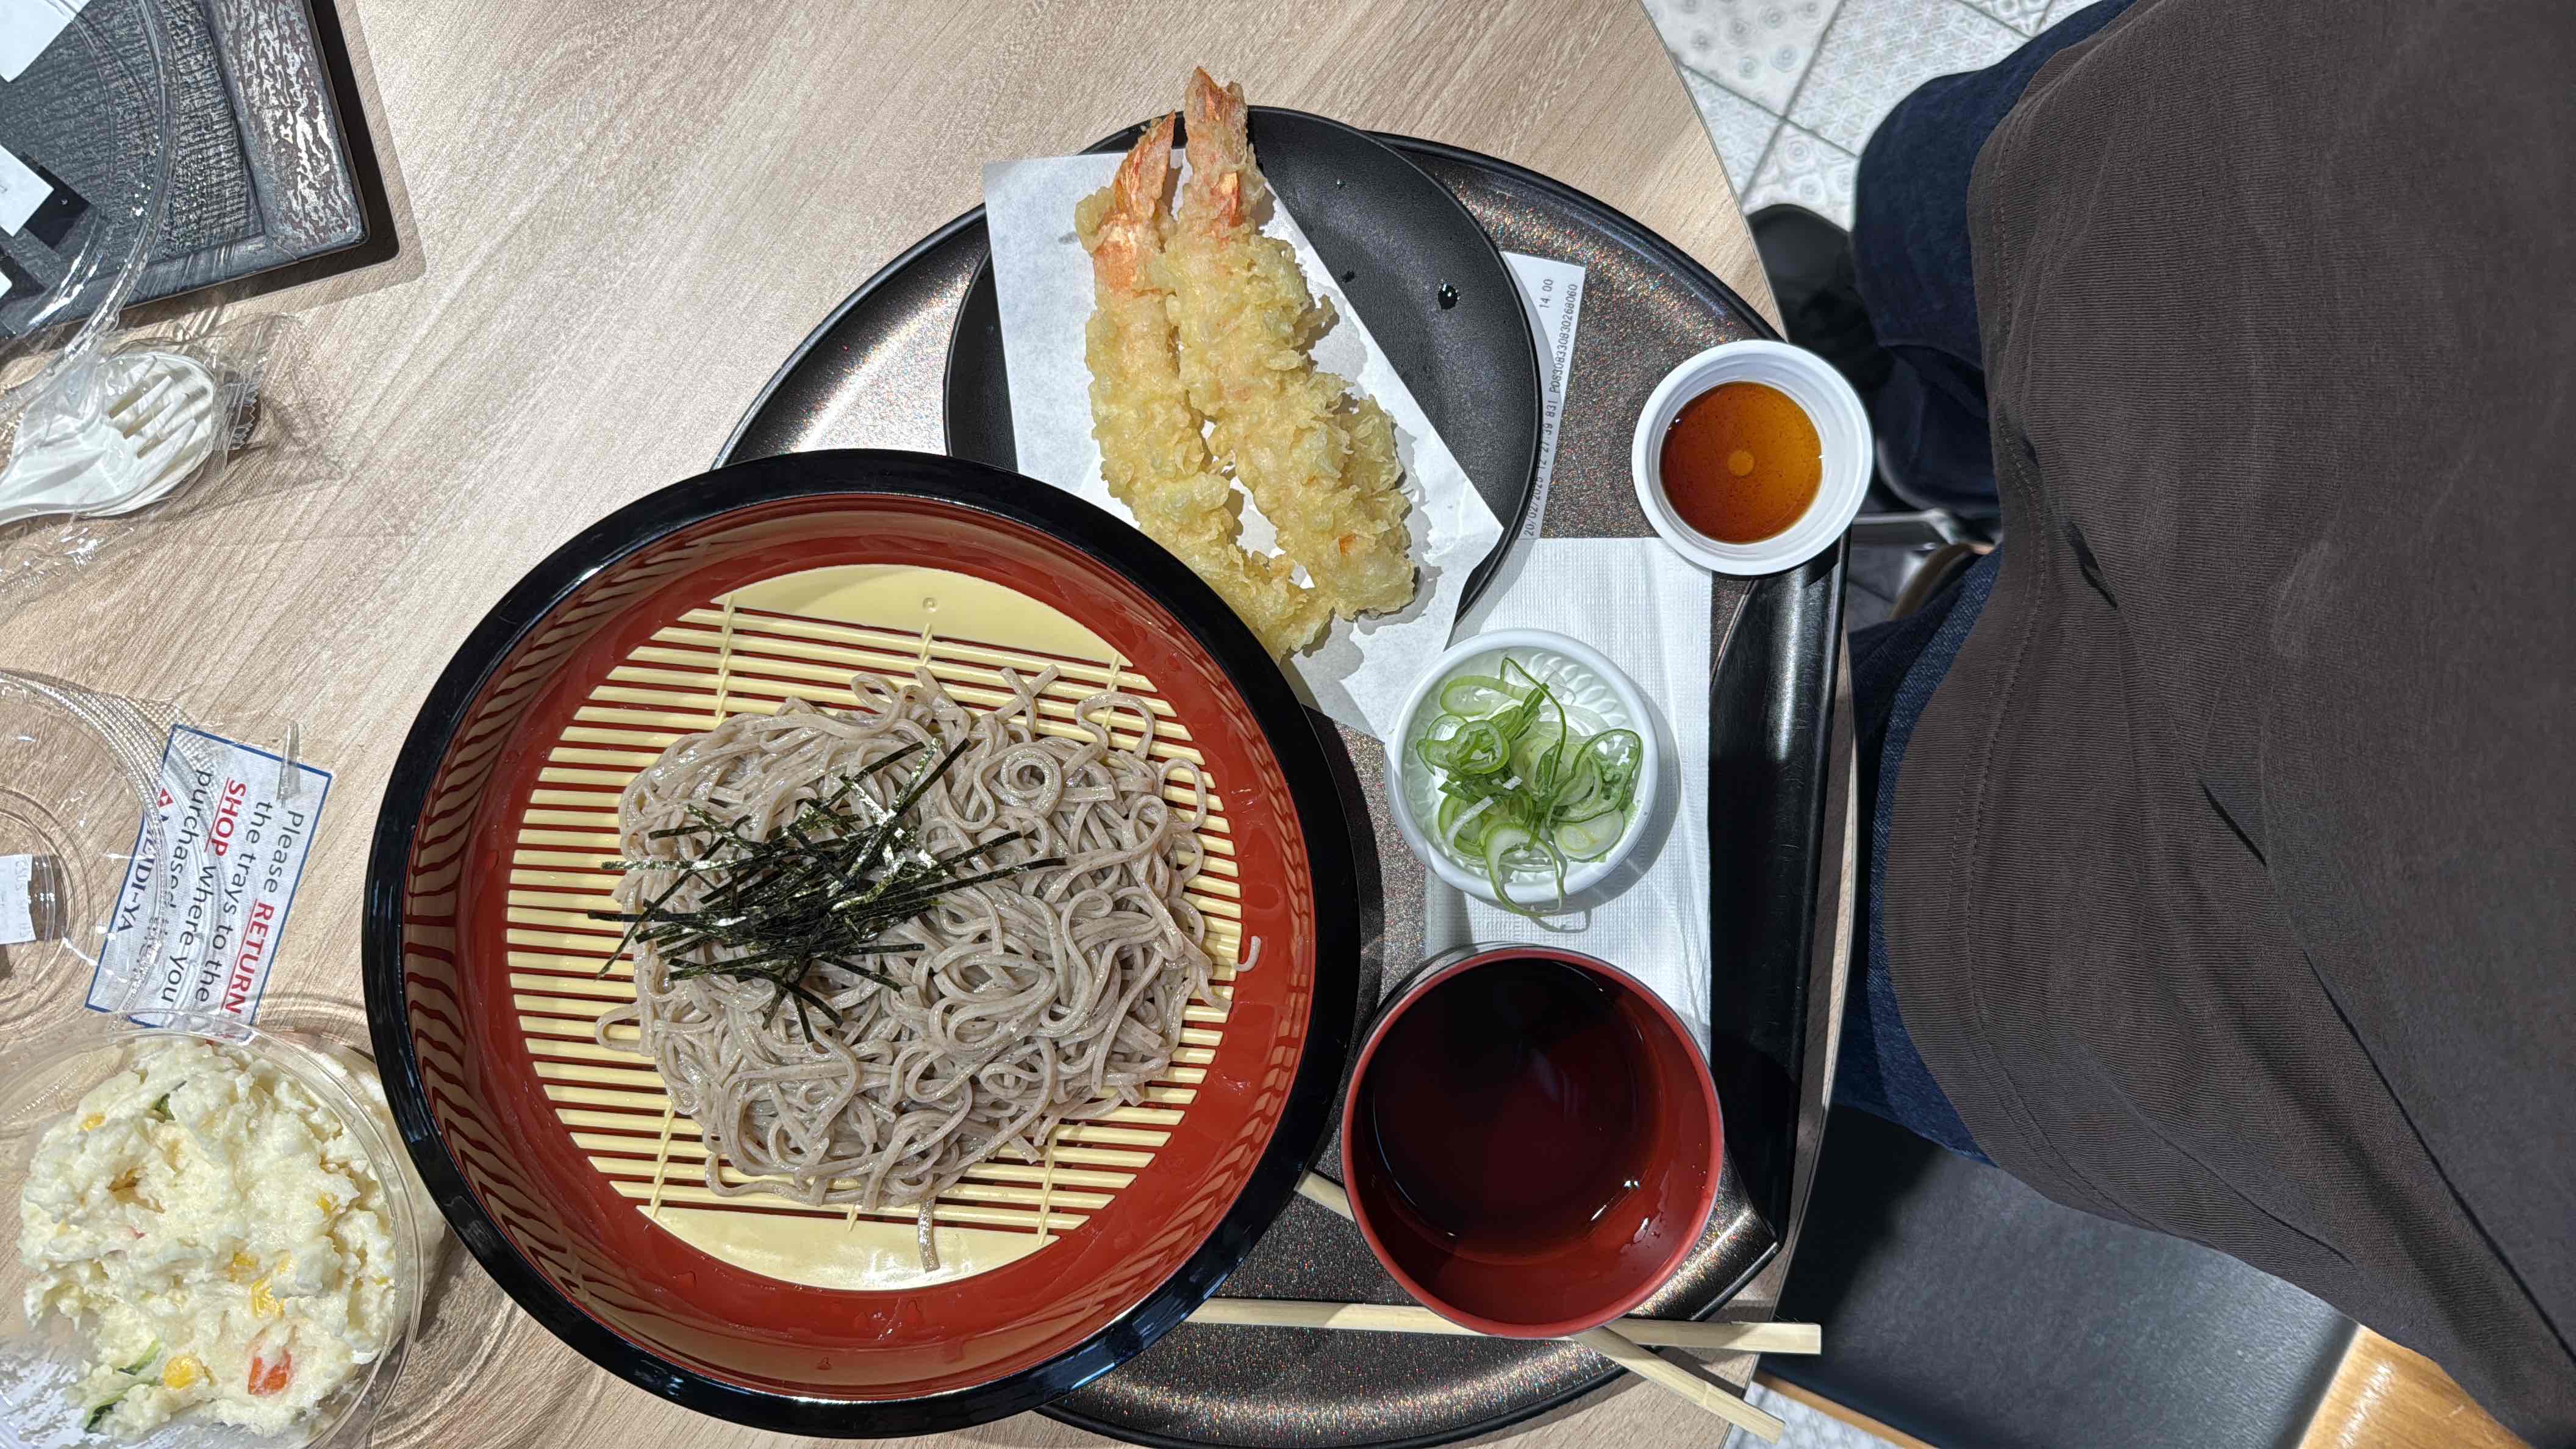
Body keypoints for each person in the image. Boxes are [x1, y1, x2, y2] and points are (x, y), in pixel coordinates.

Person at [1763, 1, 2576, 1441]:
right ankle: (1933, 438)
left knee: (1771, 853)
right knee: (1939, 196)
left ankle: (1942, 458)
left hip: (2291, 970)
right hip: (2359, 156)